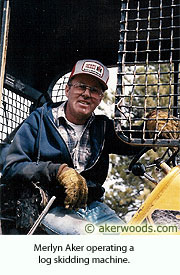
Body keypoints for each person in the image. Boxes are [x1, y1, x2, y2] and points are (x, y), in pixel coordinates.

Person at [2, 59, 142, 235]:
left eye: (94, 90)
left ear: (100, 98)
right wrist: (57, 171)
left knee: (131, 240)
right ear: (68, 90)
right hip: (49, 206)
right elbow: (13, 166)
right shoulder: (40, 119)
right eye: (81, 86)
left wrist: (151, 129)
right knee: (90, 238)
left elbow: (130, 142)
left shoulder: (103, 128)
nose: (86, 94)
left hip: (92, 206)